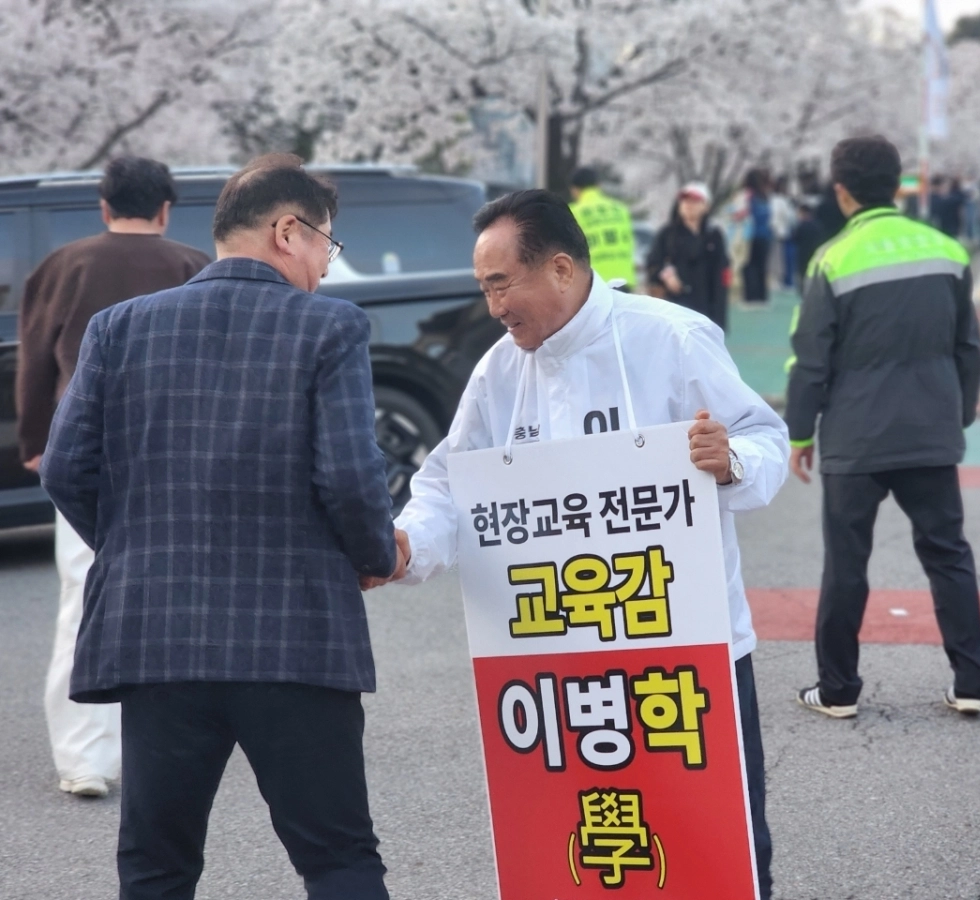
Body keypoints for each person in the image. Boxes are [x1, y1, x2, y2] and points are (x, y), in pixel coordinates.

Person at [380, 189, 788, 896]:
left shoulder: (671, 338)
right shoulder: (499, 369)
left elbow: (764, 437)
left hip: (681, 657)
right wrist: (409, 546)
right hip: (553, 666)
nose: (493, 306)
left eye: (501, 284)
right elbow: (450, 482)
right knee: (583, 845)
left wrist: (732, 459)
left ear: (561, 269)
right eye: (484, 288)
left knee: (715, 843)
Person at [39, 153, 403, 898]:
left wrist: (136, 544)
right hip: (296, 636)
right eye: (326, 246)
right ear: (286, 230)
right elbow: (348, 476)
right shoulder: (328, 328)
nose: (326, 267)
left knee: (156, 867)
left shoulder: (118, 329)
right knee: (337, 859)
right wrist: (372, 556)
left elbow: (64, 468)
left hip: (157, 638)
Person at [15, 156, 210, 799]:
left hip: (91, 454)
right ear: (165, 209)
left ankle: (84, 759)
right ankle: (185, 740)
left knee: (84, 603)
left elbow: (35, 361)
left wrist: (37, 441)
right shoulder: (193, 267)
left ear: (103, 206)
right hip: (182, 457)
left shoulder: (62, 267)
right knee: (185, 599)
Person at [784, 135, 980, 720]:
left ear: (841, 191)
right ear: (899, 186)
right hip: (930, 432)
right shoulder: (947, 251)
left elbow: (810, 358)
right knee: (948, 554)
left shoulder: (833, 258)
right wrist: (959, 414)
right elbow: (967, 348)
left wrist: (801, 433)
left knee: (847, 563)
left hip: (855, 439)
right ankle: (970, 680)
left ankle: (838, 690)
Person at [645, 182, 731, 330]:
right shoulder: (667, 234)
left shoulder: (714, 236)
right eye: (684, 200)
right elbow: (653, 263)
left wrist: (720, 319)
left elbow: (722, 274)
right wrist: (666, 275)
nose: (688, 205)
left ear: (706, 206)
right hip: (676, 306)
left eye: (695, 201)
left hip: (707, 306)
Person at [568, 166, 637, 289]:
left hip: (594, 283)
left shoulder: (572, 212)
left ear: (574, 190)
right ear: (598, 185)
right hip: (625, 279)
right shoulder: (620, 209)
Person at [735, 169, 773, 304]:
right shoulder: (764, 196)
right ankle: (762, 295)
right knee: (761, 266)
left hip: (749, 235)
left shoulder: (747, 196)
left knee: (748, 265)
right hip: (765, 235)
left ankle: (750, 295)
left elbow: (741, 214)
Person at [771, 175, 799, 289]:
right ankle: (785, 280)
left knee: (782, 259)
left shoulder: (774, 199)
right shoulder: (780, 200)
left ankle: (785, 280)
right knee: (783, 259)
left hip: (781, 232)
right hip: (782, 232)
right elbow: (789, 216)